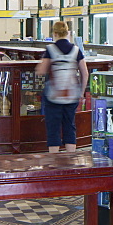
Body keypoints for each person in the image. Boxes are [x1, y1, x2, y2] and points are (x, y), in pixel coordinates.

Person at [35, 20, 88, 154]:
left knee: (54, 127)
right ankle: (70, 159)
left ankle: (54, 160)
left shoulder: (51, 49)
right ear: (67, 33)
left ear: (55, 33)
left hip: (54, 95)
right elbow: (85, 73)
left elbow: (41, 70)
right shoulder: (76, 50)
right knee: (69, 126)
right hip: (71, 95)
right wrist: (81, 92)